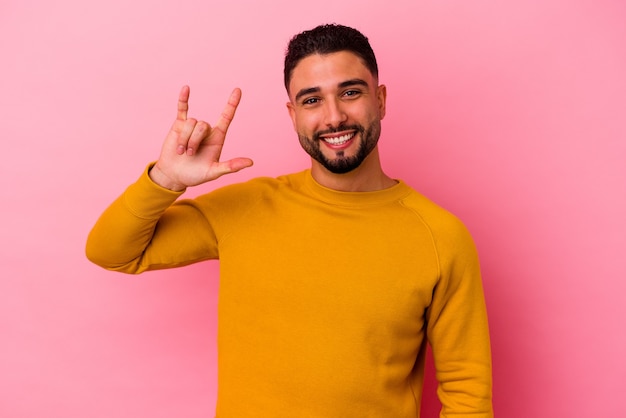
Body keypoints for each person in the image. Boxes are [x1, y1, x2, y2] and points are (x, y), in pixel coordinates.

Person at [86, 24, 493, 417]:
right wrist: (166, 179)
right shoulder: (245, 209)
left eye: (350, 92)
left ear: (381, 100)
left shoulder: (440, 236)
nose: (334, 117)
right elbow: (112, 252)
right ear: (292, 113)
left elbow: (467, 392)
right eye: (312, 100)